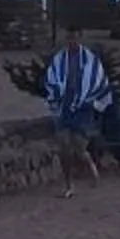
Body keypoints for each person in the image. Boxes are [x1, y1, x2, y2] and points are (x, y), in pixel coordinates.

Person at [44, 29, 112, 197]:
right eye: (69, 38)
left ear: (80, 38)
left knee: (79, 147)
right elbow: (51, 79)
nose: (72, 41)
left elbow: (99, 81)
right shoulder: (59, 59)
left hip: (83, 109)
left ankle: (89, 164)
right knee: (64, 147)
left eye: (75, 38)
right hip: (64, 108)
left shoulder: (90, 60)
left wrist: (91, 100)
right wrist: (57, 94)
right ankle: (69, 185)